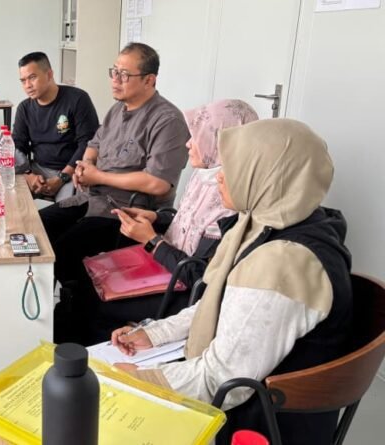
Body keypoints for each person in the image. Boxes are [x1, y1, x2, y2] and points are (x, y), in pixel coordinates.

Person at [112, 118, 353, 445]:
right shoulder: (274, 224)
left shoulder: (282, 262)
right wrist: (154, 334)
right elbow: (219, 304)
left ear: (269, 176)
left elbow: (223, 381)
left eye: (236, 165)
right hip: (253, 403)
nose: (220, 176)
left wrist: (141, 380)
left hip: (259, 426)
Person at [85, 99, 259, 341]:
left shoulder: (231, 195)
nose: (188, 143)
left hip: (185, 293)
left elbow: (201, 277)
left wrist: (152, 241)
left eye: (196, 137)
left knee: (96, 305)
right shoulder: (204, 177)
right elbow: (187, 224)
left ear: (221, 141)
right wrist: (156, 217)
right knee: (86, 279)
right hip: (167, 266)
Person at [40, 42, 190, 302]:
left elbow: (158, 183)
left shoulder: (167, 120)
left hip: (126, 212)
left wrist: (98, 176)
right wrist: (85, 165)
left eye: (124, 75)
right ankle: (46, 307)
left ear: (149, 80)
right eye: (114, 71)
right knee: (39, 228)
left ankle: (79, 307)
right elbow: (94, 144)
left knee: (62, 250)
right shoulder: (118, 109)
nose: (115, 80)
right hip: (92, 198)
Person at [12, 51, 99, 201]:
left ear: (49, 74)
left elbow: (87, 143)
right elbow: (18, 147)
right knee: (10, 197)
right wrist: (29, 176)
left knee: (65, 209)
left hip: (71, 170)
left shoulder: (78, 99)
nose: (27, 86)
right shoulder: (24, 108)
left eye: (32, 78)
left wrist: (62, 177)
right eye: (23, 80)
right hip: (37, 170)